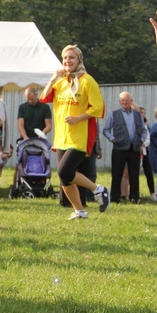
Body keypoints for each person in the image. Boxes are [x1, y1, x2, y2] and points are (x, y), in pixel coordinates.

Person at [39, 45, 110, 220]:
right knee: (65, 178)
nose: (67, 61)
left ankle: (98, 189)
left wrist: (79, 118)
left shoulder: (87, 80)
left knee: (64, 171)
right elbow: (43, 97)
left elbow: (98, 107)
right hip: (62, 136)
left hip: (80, 136)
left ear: (79, 60)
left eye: (71, 58)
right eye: (64, 58)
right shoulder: (61, 82)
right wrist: (54, 77)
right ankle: (79, 211)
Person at [102, 92, 147, 203]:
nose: (124, 102)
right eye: (122, 100)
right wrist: (112, 139)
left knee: (134, 174)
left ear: (131, 101)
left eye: (126, 100)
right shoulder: (114, 114)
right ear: (119, 102)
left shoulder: (137, 114)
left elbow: (144, 130)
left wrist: (141, 140)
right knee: (117, 173)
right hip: (119, 149)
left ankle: (134, 197)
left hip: (134, 148)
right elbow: (106, 130)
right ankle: (115, 197)